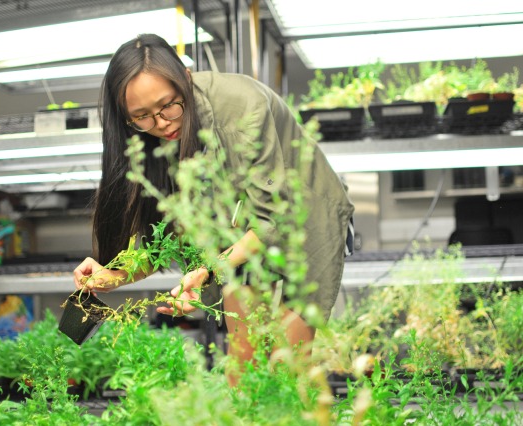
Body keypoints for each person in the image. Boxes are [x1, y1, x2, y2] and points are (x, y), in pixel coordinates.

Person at [73, 33, 354, 387]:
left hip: (299, 214)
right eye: (142, 117)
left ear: (186, 79)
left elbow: (272, 220)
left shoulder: (241, 106)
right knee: (244, 371)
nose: (161, 124)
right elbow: (163, 234)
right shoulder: (150, 140)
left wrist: (206, 269)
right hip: (239, 228)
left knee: (287, 371)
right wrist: (115, 274)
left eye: (168, 106)